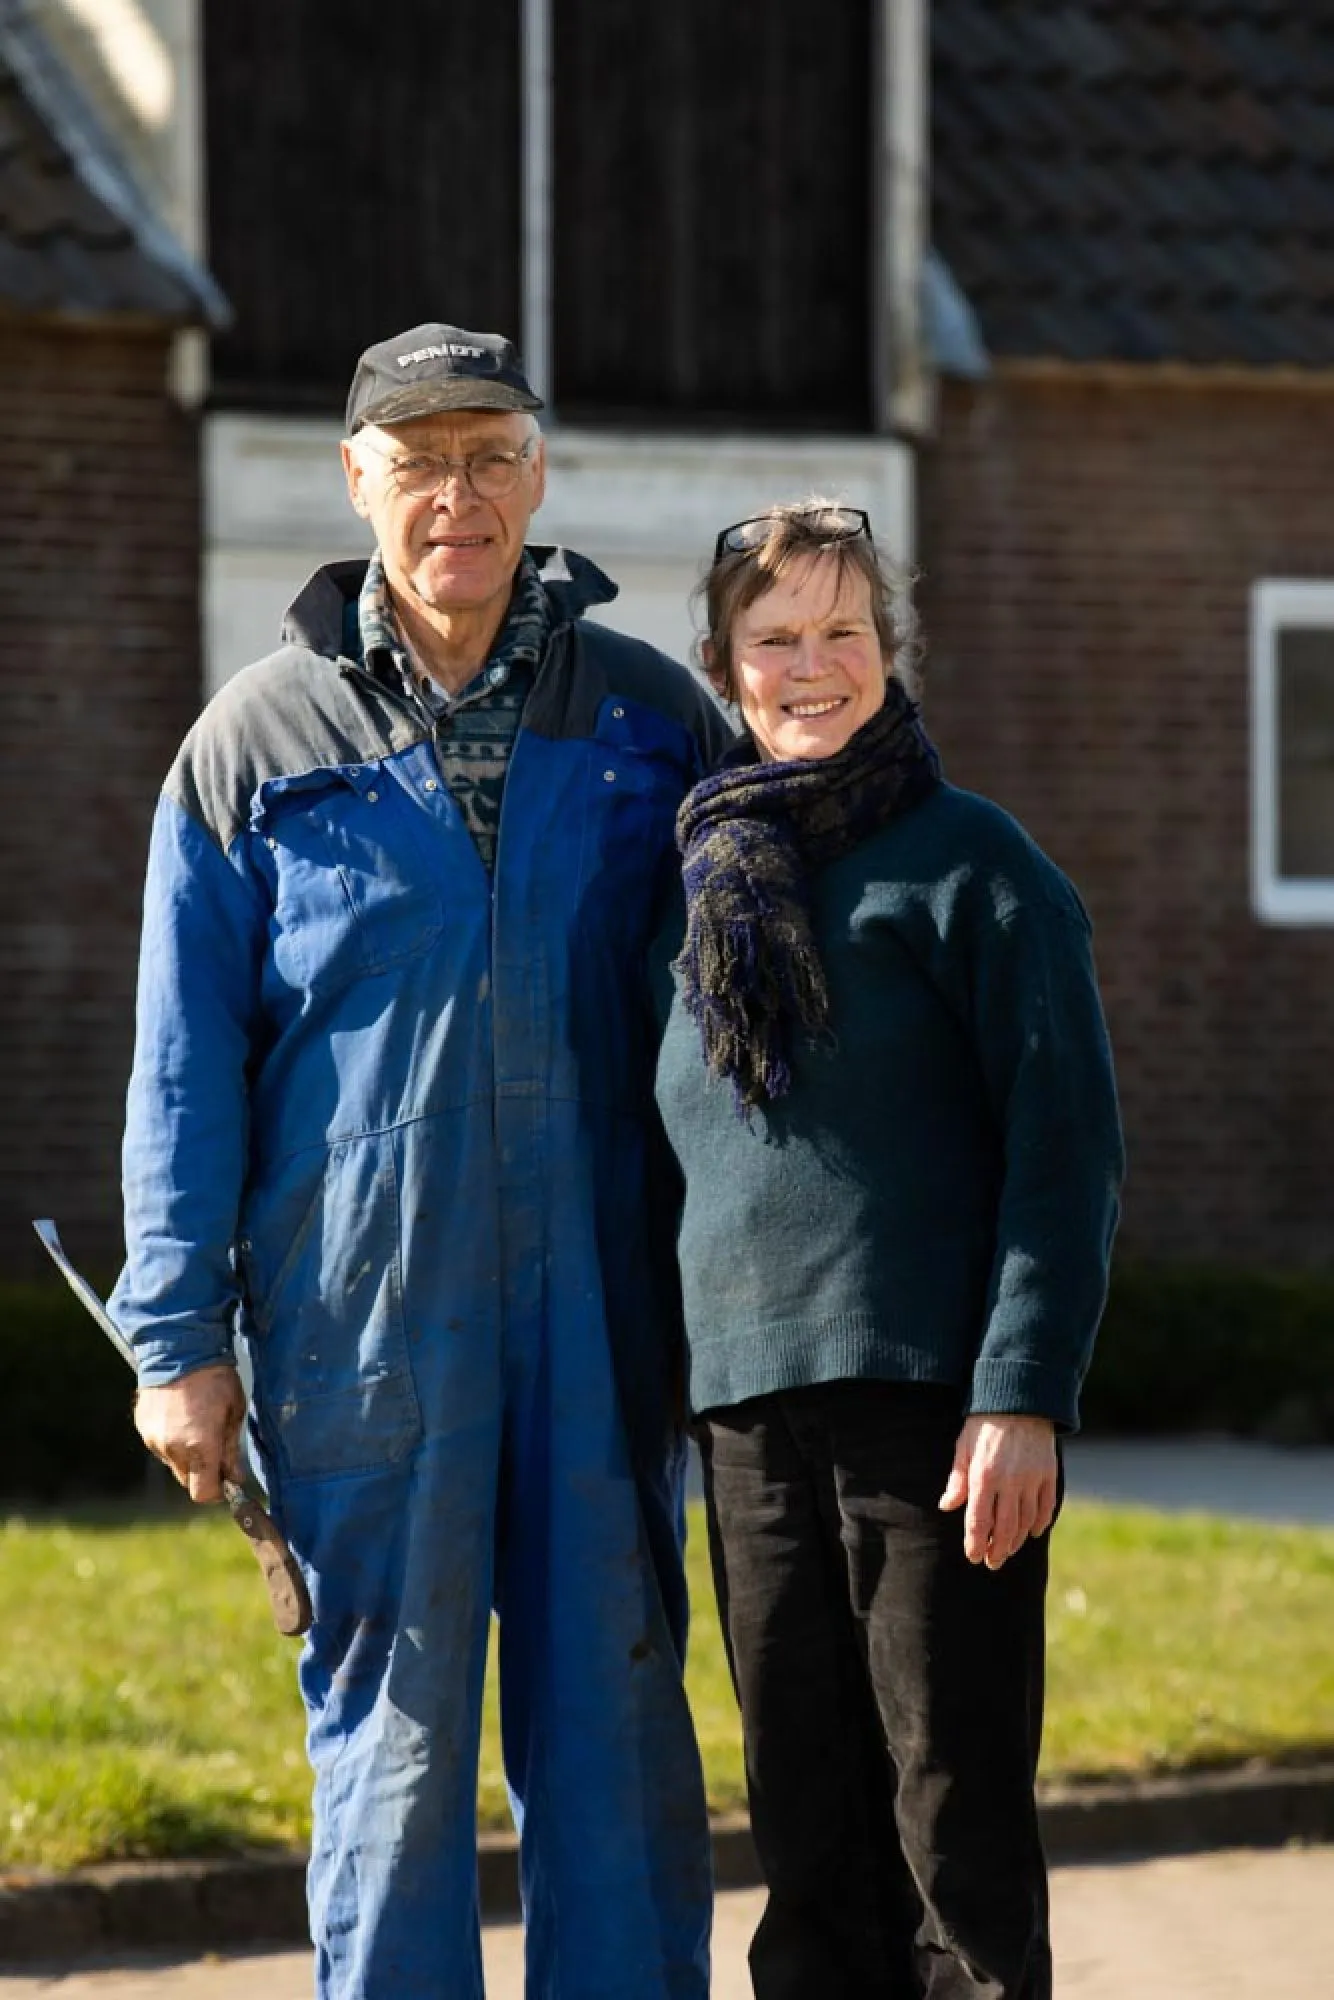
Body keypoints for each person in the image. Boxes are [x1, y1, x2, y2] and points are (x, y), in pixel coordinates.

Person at [114, 322, 730, 2000]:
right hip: (357, 1331)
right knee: (387, 1768)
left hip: (604, 1314)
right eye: (417, 461)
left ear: (535, 477)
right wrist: (175, 1343)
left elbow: (754, 1026)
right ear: (355, 482)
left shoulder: (652, 723)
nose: (454, 496)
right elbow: (183, 1073)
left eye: (488, 457)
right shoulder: (253, 742)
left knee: (614, 1742)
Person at [653, 501, 1124, 1999]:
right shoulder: (698, 877)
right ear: (724, 665)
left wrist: (1021, 1395)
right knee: (804, 1836)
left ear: (890, 651)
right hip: (742, 1411)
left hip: (934, 1414)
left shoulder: (976, 867)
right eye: (776, 637)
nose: (812, 665)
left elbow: (1066, 1158)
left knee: (952, 1828)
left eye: (843, 632)